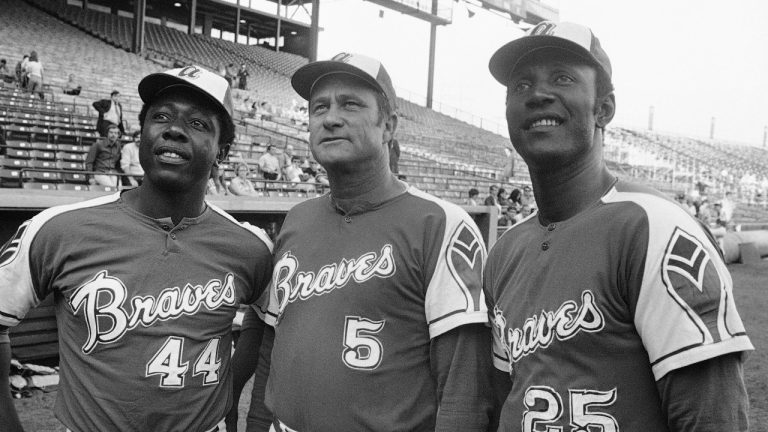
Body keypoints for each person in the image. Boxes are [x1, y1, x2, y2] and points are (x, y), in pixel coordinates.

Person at [485, 21, 753, 431]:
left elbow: (712, 416)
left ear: (604, 109)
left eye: (562, 78)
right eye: (520, 85)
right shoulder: (505, 251)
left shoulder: (654, 227)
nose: (537, 94)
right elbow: (510, 396)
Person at [0, 65, 274, 432]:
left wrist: (233, 389)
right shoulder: (57, 228)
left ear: (221, 153)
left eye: (198, 123)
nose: (174, 128)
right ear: (141, 135)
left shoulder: (249, 246)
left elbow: (271, 323)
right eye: (160, 116)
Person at [230, 52, 494, 432]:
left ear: (388, 126)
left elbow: (463, 388)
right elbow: (273, 346)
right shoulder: (297, 220)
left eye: (350, 104)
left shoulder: (441, 223)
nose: (331, 117)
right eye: (319, 107)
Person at [85, 123, 122, 188]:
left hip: (113, 173)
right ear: (107, 133)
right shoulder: (98, 145)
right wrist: (91, 177)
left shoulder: (118, 146)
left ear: (118, 135)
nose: (113, 135)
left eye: (116, 133)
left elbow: (118, 163)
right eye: (111, 132)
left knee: (119, 189)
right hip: (100, 172)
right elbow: (89, 162)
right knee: (112, 188)